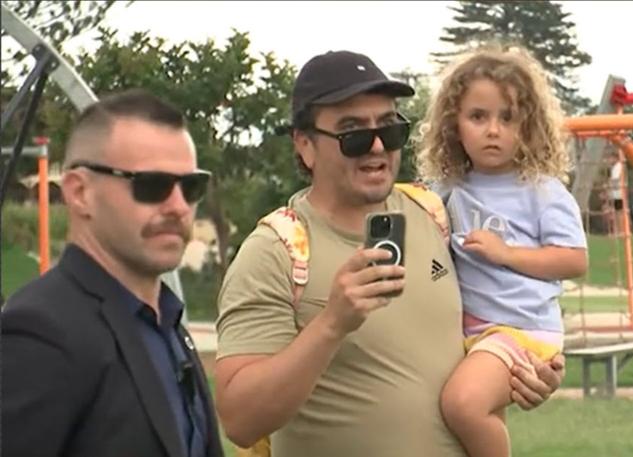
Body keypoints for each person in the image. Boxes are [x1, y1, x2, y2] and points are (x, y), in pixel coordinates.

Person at [214, 50, 566, 457]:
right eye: (353, 133)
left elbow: (504, 311)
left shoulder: (436, 213)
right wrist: (331, 324)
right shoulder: (275, 250)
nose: (378, 146)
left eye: (390, 128)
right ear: (305, 145)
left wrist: (530, 372)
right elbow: (240, 420)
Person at [1, 89, 224, 457]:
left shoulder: (166, 323)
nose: (179, 206)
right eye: (152, 185)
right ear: (80, 193)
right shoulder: (41, 332)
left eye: (191, 186)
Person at [414, 45, 588, 457]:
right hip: (466, 330)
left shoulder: (542, 191)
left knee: (463, 405)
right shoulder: (446, 189)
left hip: (520, 328)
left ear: (528, 127)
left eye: (507, 118)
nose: (493, 130)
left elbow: (574, 260)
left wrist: (505, 253)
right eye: (478, 116)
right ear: (453, 125)